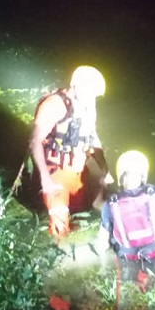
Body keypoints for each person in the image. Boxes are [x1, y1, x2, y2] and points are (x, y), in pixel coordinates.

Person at [28, 65, 114, 237]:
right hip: (56, 174)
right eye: (90, 92)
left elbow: (92, 139)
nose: (93, 98)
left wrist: (105, 171)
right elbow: (34, 141)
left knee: (98, 209)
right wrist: (46, 180)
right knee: (60, 230)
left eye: (95, 95)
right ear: (76, 86)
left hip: (78, 172)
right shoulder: (54, 105)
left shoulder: (87, 106)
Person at [97, 150, 155, 262]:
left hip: (128, 257)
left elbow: (104, 244)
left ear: (121, 177)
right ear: (143, 175)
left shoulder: (110, 204)